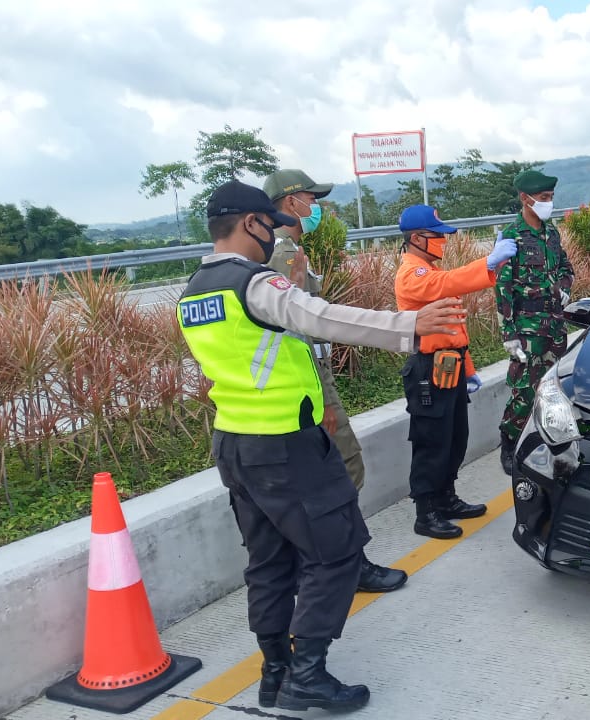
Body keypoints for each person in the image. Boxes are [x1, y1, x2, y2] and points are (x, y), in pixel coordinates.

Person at [178, 180, 464, 712]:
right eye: (271, 225)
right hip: (288, 446)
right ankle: (307, 676)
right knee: (335, 553)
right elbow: (319, 315)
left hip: (237, 445)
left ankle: (275, 673)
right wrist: (411, 325)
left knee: (268, 563)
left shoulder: (194, 290)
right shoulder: (252, 283)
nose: (275, 235)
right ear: (250, 224)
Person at [263, 169, 407, 594]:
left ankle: (339, 561)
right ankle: (350, 564)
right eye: (312, 199)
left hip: (308, 374)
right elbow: (299, 323)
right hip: (307, 376)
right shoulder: (282, 254)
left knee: (336, 470)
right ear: (291, 204)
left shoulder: (286, 249)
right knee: (345, 466)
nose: (317, 208)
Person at [394, 205, 518, 538]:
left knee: (454, 439)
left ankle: (446, 498)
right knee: (431, 442)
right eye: (438, 236)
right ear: (418, 238)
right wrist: (488, 263)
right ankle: (426, 511)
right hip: (428, 370)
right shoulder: (412, 273)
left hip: (449, 366)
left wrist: (469, 369)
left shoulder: (428, 270)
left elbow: (455, 333)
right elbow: (448, 283)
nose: (444, 242)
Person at [496, 170, 575, 475]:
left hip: (554, 324)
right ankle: (509, 439)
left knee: (552, 386)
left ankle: (547, 439)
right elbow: (502, 288)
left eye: (551, 197)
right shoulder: (511, 236)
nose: (549, 203)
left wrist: (565, 288)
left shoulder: (551, 233)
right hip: (527, 328)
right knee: (524, 390)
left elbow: (566, 265)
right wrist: (508, 334)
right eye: (544, 198)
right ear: (525, 199)